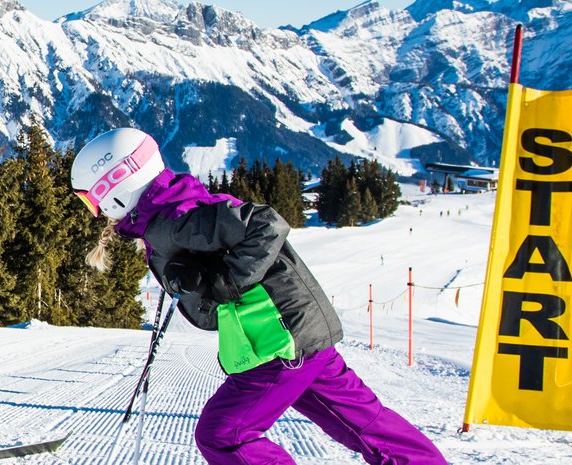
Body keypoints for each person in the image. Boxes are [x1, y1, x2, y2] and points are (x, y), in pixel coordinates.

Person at [69, 128, 446, 464]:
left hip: (279, 338)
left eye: (91, 199)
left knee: (223, 436)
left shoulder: (178, 216)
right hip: (296, 328)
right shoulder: (170, 211)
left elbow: (267, 225)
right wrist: (202, 283)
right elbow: (211, 297)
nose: (95, 211)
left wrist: (223, 280)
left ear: (116, 185)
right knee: (364, 421)